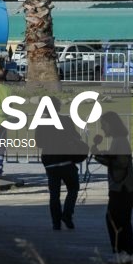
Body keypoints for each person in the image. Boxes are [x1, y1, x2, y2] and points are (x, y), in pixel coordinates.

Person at [91, 111, 133, 264]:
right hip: (123, 187)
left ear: (112, 125)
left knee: (116, 220)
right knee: (120, 220)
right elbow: (116, 158)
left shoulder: (120, 141)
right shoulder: (119, 140)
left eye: (104, 125)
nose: (103, 128)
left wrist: (101, 156)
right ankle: (125, 252)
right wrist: (100, 155)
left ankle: (123, 252)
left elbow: (121, 162)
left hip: (122, 188)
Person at [35, 96, 81, 231]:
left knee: (54, 194)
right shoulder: (66, 120)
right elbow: (76, 137)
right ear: (58, 107)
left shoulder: (41, 123)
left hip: (50, 161)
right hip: (66, 159)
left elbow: (39, 142)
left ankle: (56, 222)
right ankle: (67, 215)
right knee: (73, 188)